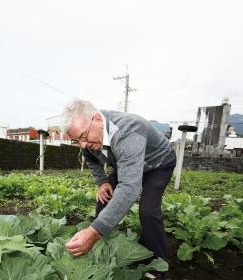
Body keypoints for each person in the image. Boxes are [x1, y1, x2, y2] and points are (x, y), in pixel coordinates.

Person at [62, 99, 176, 276]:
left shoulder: (128, 130)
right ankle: (101, 250)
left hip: (158, 163)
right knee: (104, 198)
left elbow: (130, 187)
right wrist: (102, 182)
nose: (82, 145)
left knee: (148, 210)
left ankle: (157, 264)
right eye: (77, 140)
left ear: (97, 120)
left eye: (83, 137)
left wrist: (94, 231)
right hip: (126, 163)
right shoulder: (89, 136)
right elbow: (90, 158)